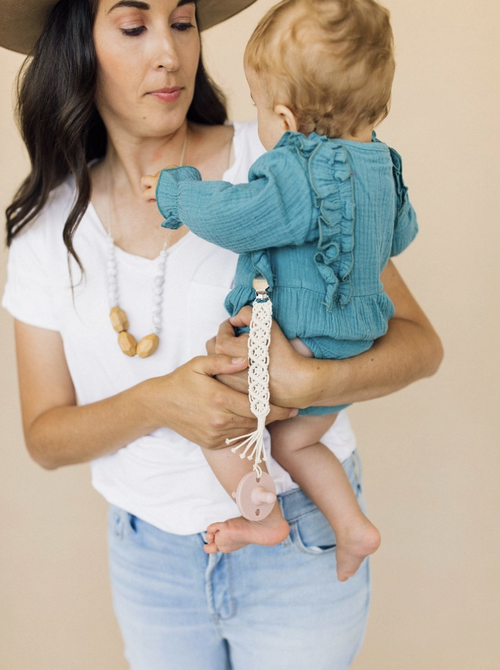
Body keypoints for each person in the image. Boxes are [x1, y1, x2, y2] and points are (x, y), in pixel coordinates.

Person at [1, 0, 443, 668]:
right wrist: (160, 401)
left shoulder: (283, 157)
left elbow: (420, 344)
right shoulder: (43, 232)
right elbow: (45, 438)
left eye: (182, 23)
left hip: (300, 544)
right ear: (77, 49)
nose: (169, 53)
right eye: (133, 26)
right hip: (150, 561)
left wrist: (315, 381)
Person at [141, 0, 410, 581]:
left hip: (301, 335)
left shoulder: (295, 167)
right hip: (356, 340)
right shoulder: (384, 164)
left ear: (285, 119)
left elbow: (244, 215)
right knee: (296, 443)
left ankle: (260, 515)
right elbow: (402, 234)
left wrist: (179, 195)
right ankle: (352, 527)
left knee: (215, 414)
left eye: (260, 108)